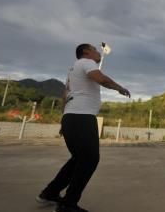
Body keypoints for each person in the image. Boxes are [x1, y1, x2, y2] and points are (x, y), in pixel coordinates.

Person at [36, 43, 131, 212]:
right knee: (89, 160)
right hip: (82, 117)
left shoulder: (72, 70)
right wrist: (119, 88)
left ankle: (50, 193)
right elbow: (101, 78)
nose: (97, 52)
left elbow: (65, 95)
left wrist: (63, 120)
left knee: (78, 159)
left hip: (72, 117)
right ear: (86, 52)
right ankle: (68, 204)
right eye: (94, 49)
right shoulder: (86, 62)